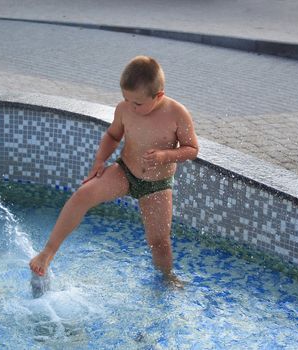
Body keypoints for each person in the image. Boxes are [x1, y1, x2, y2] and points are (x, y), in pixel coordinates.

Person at [29, 56, 199, 286]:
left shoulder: (177, 114)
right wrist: (99, 161)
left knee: (159, 241)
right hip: (125, 171)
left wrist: (165, 156)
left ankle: (167, 278)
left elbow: (192, 149)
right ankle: (47, 253)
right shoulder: (125, 109)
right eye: (126, 99)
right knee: (83, 194)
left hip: (157, 184)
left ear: (158, 95)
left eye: (137, 103)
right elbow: (112, 135)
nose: (130, 106)